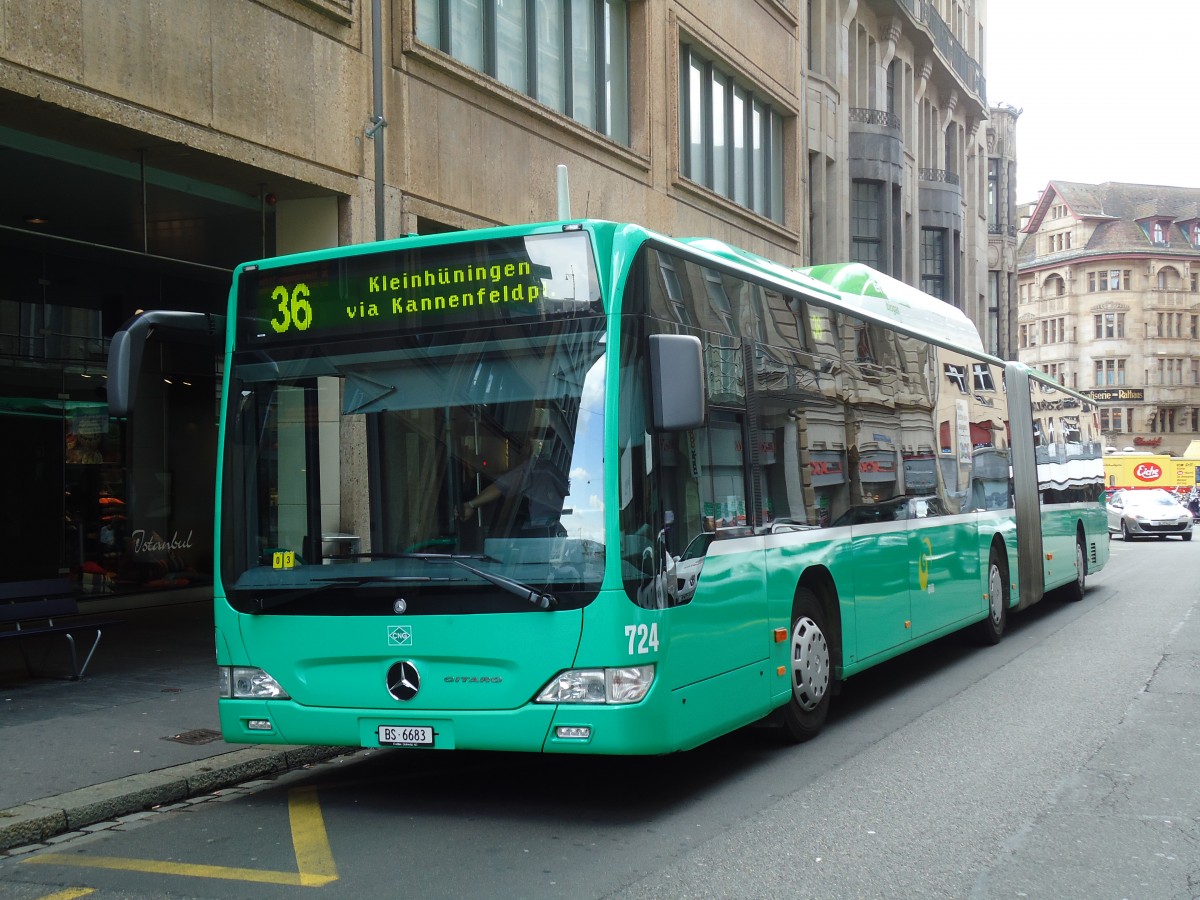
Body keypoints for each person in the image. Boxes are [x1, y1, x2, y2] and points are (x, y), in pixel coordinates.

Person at [460, 414, 568, 536]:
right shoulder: (557, 473)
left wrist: (470, 505)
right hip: (546, 533)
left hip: (532, 534)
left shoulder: (536, 469)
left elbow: (499, 487)